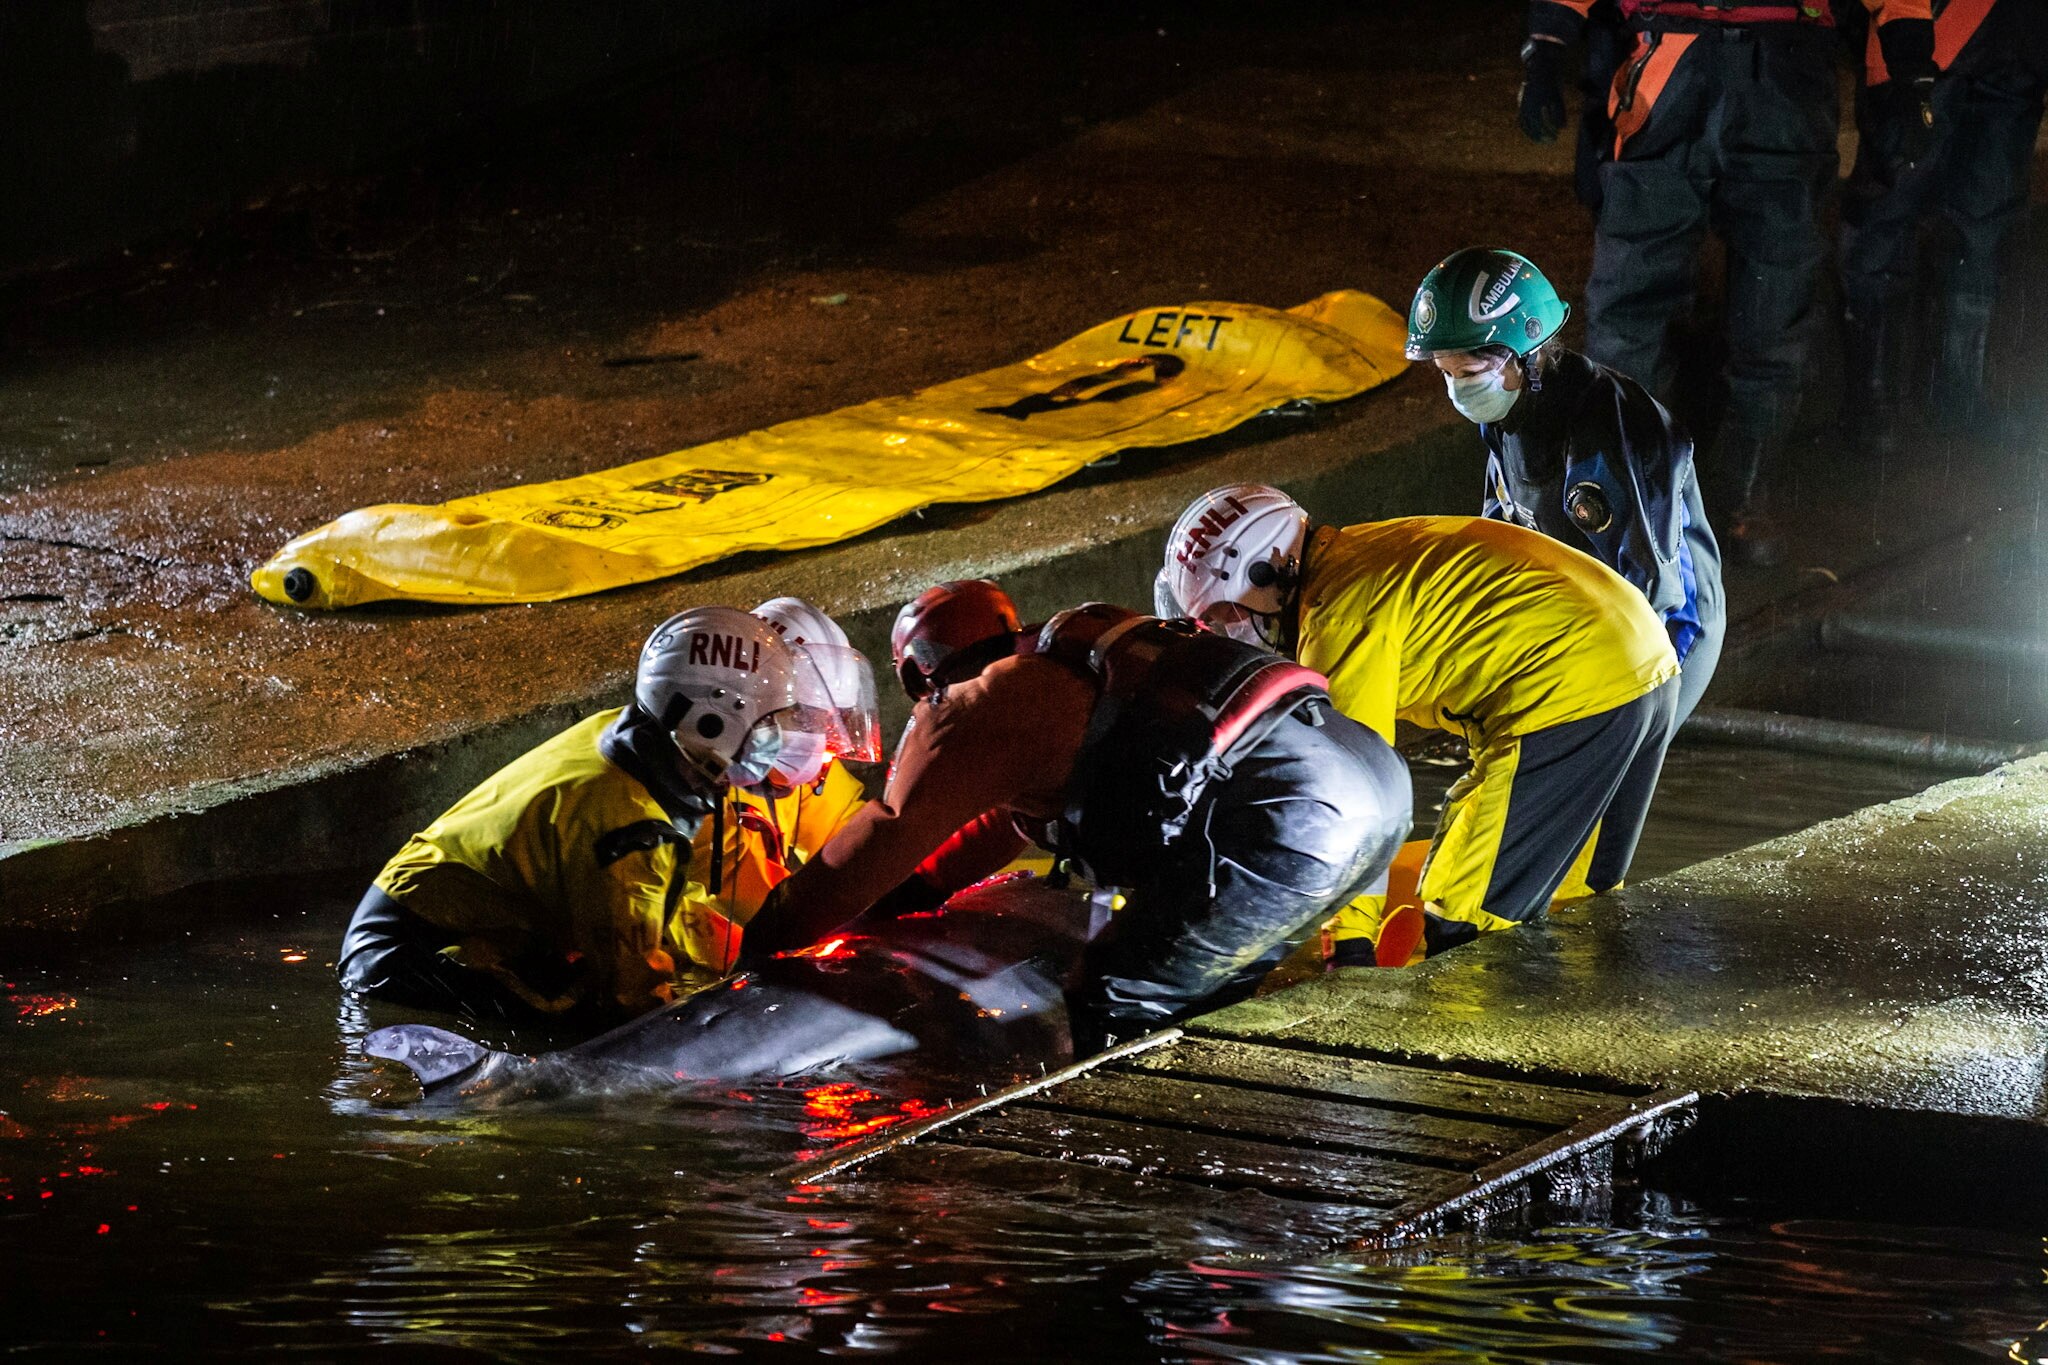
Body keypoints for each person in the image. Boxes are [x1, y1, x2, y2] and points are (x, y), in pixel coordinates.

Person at [740, 583, 1413, 1048]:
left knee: (1117, 995)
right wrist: (914, 896)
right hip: (1373, 777)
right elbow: (999, 824)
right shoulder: (1070, 664)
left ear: (920, 676)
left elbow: (886, 833)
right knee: (1207, 989)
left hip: (1292, 809)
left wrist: (765, 938)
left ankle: (1146, 1210)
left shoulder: (974, 707)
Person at [1159, 485, 1678, 963]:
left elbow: (1355, 797)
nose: (1235, 630)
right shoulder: (1361, 553)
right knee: (1579, 902)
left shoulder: (1337, 613)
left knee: (1465, 921)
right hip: (1645, 663)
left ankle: (1473, 1059)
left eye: (1229, 614)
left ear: (1267, 572)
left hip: (1569, 693)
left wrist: (1349, 942)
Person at [1518, 0, 1936, 564]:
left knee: (1776, 294)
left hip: (1784, 64)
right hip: (1672, 60)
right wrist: (1546, 44)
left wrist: (1907, 72)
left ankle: (1746, 491)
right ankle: (1620, 494)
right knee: (1631, 297)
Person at [337, 606, 876, 1025]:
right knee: (584, 1022)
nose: (783, 739)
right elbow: (632, 998)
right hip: (408, 956)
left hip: (451, 920)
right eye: (772, 722)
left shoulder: (644, 743)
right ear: (714, 724)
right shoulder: (633, 831)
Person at [1407, 246, 1723, 725]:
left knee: (1601, 774)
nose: (1456, 390)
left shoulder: (1611, 433)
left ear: (1524, 354)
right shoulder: (1508, 411)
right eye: (1445, 373)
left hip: (1667, 630)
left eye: (1468, 374)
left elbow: (1652, 591)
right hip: (1582, 610)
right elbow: (1504, 531)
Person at [1839, 0, 2048, 454]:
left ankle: (1958, 396)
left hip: (2018, 54)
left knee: (1983, 230)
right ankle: (1869, 402)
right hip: (1920, 42)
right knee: (1883, 220)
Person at [691, 597, 878, 922]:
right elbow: (759, 908)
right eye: (806, 719)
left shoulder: (795, 768)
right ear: (747, 705)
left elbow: (861, 843)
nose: (822, 740)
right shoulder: (685, 776)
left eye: (829, 722)